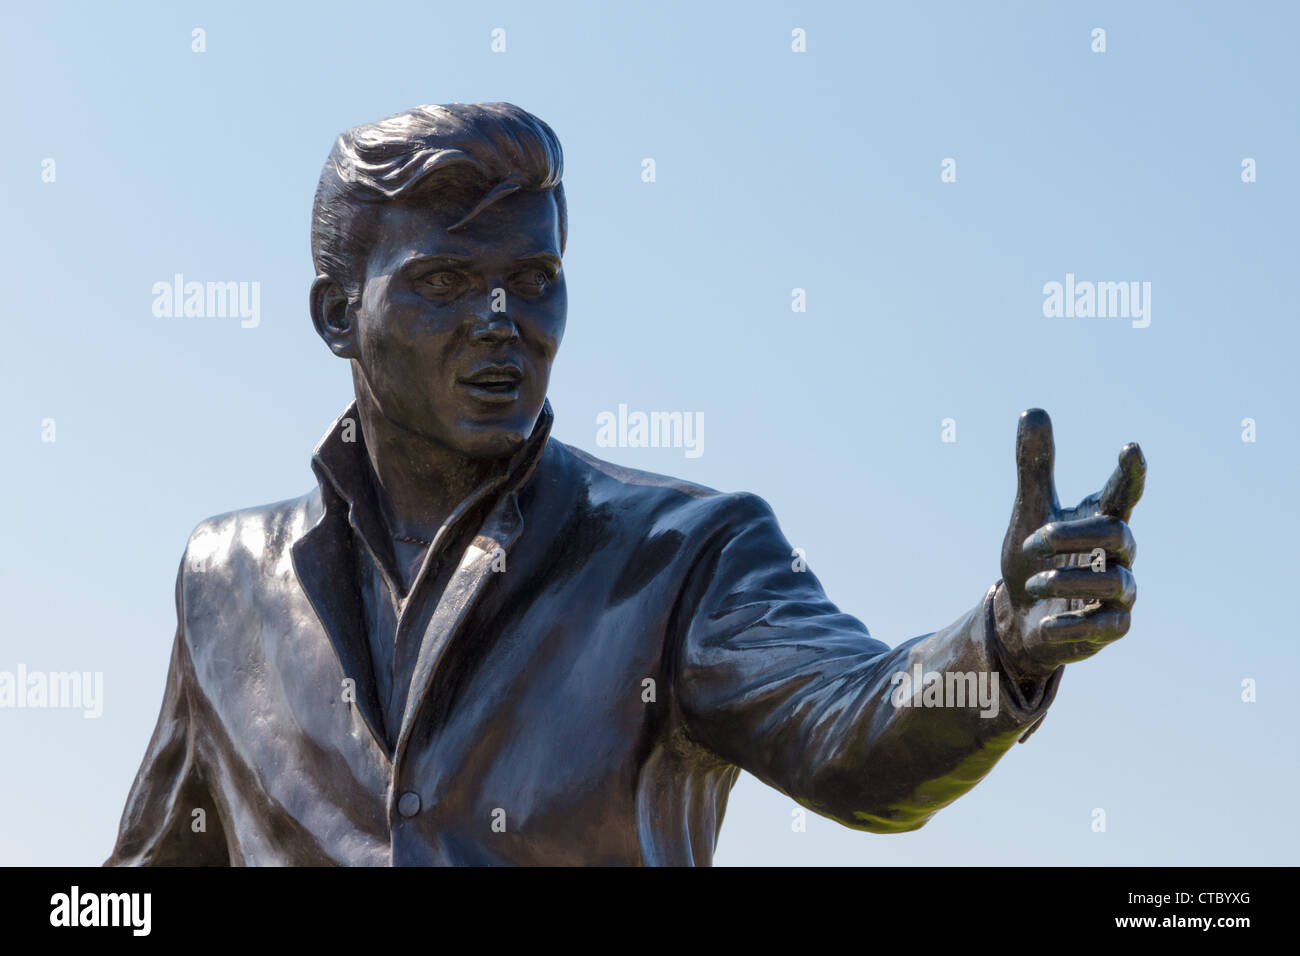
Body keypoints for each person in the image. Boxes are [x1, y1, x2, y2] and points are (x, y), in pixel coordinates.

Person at [106, 103, 1145, 866]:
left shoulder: (684, 553)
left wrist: (999, 642)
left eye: (536, 281)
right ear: (337, 315)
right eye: (447, 284)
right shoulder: (223, 581)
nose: (504, 320)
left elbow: (856, 734)